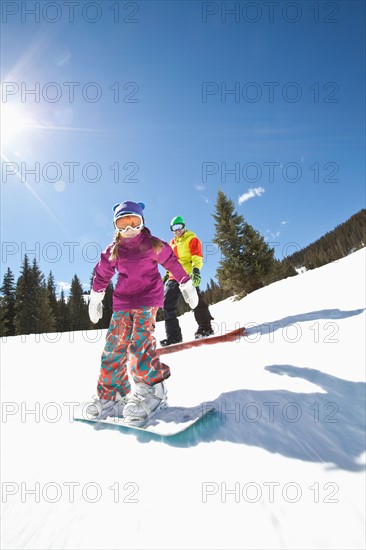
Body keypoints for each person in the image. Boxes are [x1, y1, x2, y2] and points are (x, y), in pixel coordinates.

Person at [87, 201, 198, 425]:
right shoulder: (113, 250)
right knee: (113, 347)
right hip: (122, 303)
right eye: (123, 224)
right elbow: (102, 273)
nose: (129, 229)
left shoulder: (153, 244)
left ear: (142, 222)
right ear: (116, 227)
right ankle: (112, 395)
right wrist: (96, 296)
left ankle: (153, 390)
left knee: (139, 344)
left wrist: (186, 284)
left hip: (148, 299)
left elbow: (172, 262)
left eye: (134, 223)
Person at [160, 215, 214, 346]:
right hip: (173, 277)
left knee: (195, 301)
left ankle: (206, 327)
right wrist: (166, 276)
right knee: (167, 304)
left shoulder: (192, 239)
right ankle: (174, 336)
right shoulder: (171, 243)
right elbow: (170, 262)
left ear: (184, 226)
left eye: (179, 227)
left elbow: (197, 257)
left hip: (187, 275)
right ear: (172, 229)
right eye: (174, 228)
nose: (177, 230)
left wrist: (196, 270)